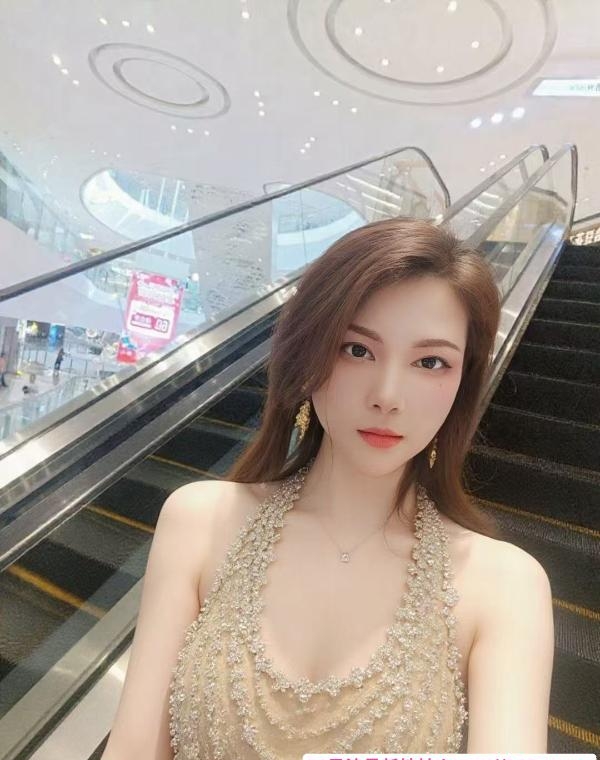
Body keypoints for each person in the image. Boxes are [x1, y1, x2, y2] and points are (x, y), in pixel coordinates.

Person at [101, 218, 554, 759]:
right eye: (356, 350)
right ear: (309, 355)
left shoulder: (505, 585)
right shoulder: (199, 521)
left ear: (462, 381)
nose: (387, 395)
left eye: (430, 362)